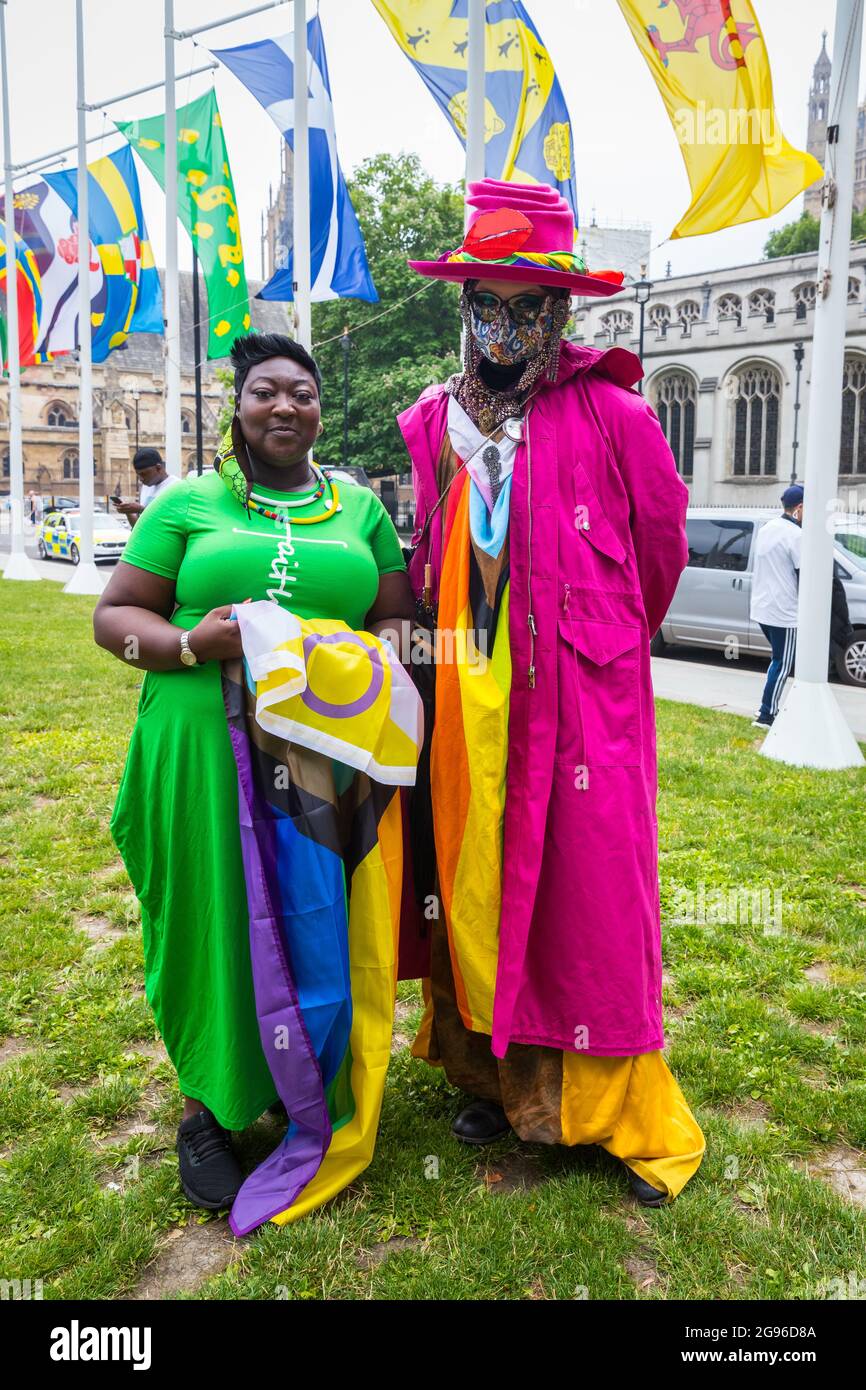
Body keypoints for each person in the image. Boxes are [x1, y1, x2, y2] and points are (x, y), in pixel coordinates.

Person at [398, 179, 705, 1206]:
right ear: (462, 304)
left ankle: (605, 1105)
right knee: (471, 874)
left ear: (561, 311)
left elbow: (657, 554)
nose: (503, 326)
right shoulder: (429, 421)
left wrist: (588, 640)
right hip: (462, 699)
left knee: (586, 896)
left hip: (578, 701)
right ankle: (491, 1075)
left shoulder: (613, 413)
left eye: (527, 304)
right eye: (486, 301)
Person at [93, 332, 413, 1211]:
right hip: (200, 744)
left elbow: (402, 624)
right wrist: (196, 643)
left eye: (302, 394)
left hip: (323, 756)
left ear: (319, 410)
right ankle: (208, 1110)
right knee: (214, 918)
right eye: (266, 391)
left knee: (317, 919)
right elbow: (114, 619)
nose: (285, 406)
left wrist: (363, 665)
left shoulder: (358, 510)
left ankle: (300, 1086)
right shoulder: (190, 502)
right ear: (237, 407)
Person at [750, 485, 803, 729]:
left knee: (777, 661)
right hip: (786, 612)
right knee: (782, 664)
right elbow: (804, 577)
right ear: (799, 509)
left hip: (764, 608)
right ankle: (766, 714)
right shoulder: (797, 535)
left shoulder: (768, 528)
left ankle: (770, 707)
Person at [113, 447, 179, 527]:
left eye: (144, 474)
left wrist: (141, 509)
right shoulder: (146, 487)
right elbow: (138, 527)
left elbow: (173, 522)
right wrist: (128, 512)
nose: (141, 479)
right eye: (138, 475)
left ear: (158, 468)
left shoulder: (177, 487)